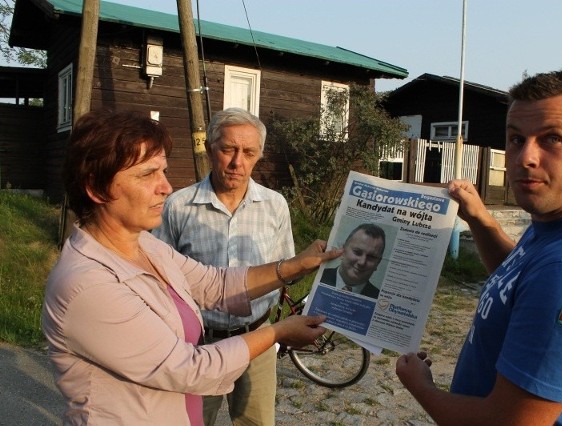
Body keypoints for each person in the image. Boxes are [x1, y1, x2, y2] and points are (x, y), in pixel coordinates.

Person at [41, 109, 342, 425]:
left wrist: (295, 266)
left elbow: (214, 284)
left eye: (164, 171)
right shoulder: (87, 285)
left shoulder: (145, 245)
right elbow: (190, 368)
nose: (166, 187)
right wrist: (280, 332)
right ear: (97, 187)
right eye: (147, 174)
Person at [396, 70, 562, 425]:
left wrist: (422, 388)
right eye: (515, 138)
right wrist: (480, 219)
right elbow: (519, 275)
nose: (525, 156)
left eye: (552, 139)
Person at [153, 107, 292, 426]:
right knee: (193, 422)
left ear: (259, 155)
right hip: (200, 346)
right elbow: (160, 279)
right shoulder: (178, 206)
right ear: (210, 148)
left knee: (256, 422)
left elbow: (283, 270)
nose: (237, 162)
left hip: (257, 339)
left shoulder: (275, 206)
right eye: (228, 149)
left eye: (248, 152)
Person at [320, 223, 385, 299]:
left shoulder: (379, 298)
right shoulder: (318, 276)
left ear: (378, 263)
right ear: (343, 251)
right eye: (357, 252)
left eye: (371, 257)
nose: (362, 262)